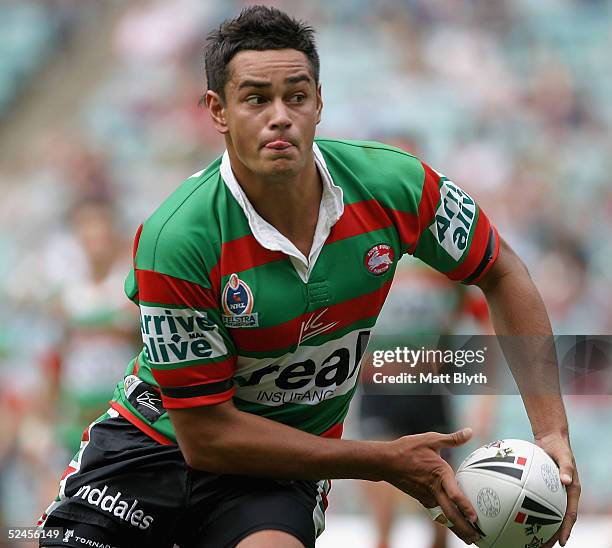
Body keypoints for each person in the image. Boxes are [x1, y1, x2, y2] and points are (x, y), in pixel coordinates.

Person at [38, 6, 579, 548]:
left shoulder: (398, 186)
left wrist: (551, 428)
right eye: (255, 98)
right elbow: (207, 437)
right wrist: (381, 461)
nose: (280, 116)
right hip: (148, 445)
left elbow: (502, 270)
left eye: (296, 96)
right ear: (217, 110)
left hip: (275, 469)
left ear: (319, 101)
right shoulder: (176, 238)